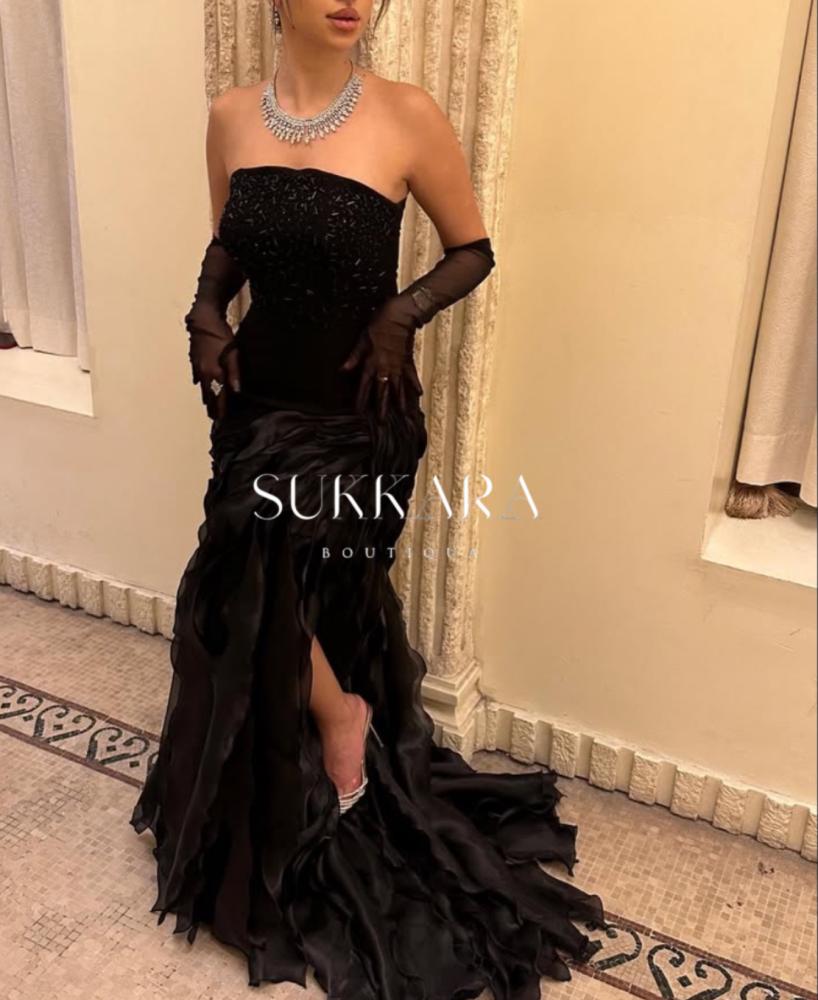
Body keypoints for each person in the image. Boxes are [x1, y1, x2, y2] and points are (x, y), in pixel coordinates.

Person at [130, 1, 608, 995]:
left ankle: (343, 716)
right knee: (241, 573)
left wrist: (400, 314)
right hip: (257, 400)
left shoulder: (406, 113)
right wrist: (205, 308)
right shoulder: (230, 115)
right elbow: (231, 242)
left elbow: (471, 248)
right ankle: (314, 733)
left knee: (254, 561)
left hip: (360, 411)